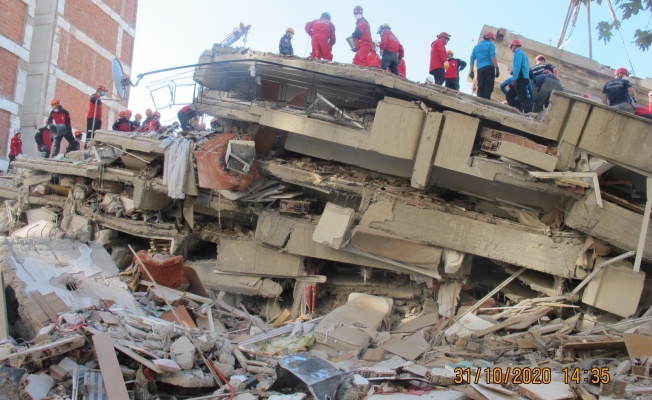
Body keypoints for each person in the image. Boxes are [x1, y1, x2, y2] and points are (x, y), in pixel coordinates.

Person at [469, 32, 499, 100]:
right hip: (489, 68)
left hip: (480, 69)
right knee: (488, 86)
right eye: (492, 39)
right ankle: (485, 102)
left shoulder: (476, 47)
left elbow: (472, 59)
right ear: (490, 38)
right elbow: (493, 57)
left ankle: (479, 101)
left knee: (481, 86)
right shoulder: (491, 45)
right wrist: (496, 67)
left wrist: (471, 71)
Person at [509, 39, 533, 113]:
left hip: (520, 78)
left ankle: (528, 113)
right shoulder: (523, 54)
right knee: (510, 95)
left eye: (511, 46)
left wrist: (514, 79)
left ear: (515, 45)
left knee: (522, 97)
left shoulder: (518, 53)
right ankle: (517, 110)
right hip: (524, 77)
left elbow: (517, 66)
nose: (511, 49)